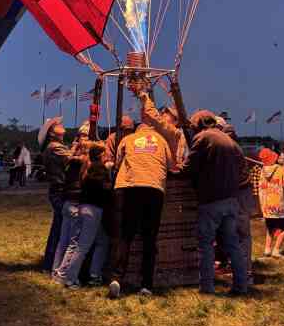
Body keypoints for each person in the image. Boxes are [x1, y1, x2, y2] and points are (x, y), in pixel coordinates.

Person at [188, 110, 251, 296]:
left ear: (198, 124)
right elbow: (242, 168)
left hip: (211, 199)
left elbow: (190, 164)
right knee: (232, 244)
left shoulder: (203, 138)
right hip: (231, 199)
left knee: (206, 244)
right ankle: (241, 285)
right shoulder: (229, 141)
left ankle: (207, 287)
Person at [108, 122, 175, 299]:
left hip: (129, 186)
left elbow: (116, 163)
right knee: (150, 237)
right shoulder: (161, 140)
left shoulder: (128, 139)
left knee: (126, 235)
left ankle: (117, 278)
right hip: (154, 188)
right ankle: (146, 285)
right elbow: (171, 165)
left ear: (137, 130)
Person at [54, 143, 111, 288]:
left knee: (101, 241)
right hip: (93, 210)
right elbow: (104, 188)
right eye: (105, 154)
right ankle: (70, 278)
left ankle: (88, 274)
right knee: (82, 247)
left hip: (83, 208)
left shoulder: (87, 168)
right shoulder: (99, 168)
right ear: (100, 155)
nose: (107, 156)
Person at [40, 118, 72, 273]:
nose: (61, 125)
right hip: (59, 190)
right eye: (57, 125)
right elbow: (72, 159)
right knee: (59, 227)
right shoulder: (55, 147)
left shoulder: (55, 147)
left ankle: (50, 262)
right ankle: (50, 263)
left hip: (57, 189)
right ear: (52, 132)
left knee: (58, 226)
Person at [132, 85, 187, 168]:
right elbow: (150, 118)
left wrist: (146, 99)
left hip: (169, 172)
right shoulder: (162, 132)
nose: (163, 114)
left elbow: (155, 118)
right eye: (163, 112)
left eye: (168, 113)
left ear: (176, 121)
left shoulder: (174, 133)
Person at [258, 148, 284, 258]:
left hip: (266, 204)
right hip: (279, 204)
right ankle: (276, 250)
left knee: (270, 228)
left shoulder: (262, 171)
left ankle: (267, 249)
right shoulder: (281, 170)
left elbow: (261, 188)